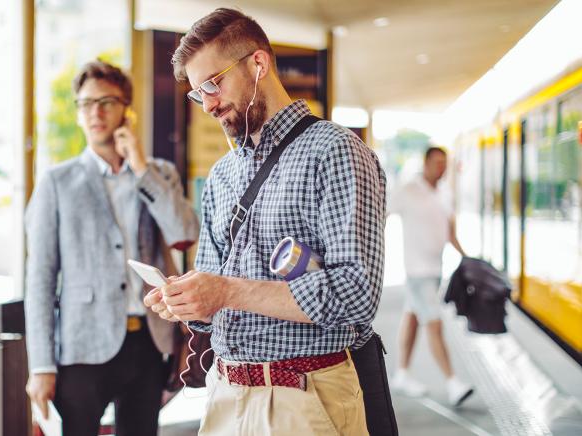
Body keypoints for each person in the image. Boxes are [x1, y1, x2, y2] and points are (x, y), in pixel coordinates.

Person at [144, 8, 386, 435]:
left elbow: (356, 296)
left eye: (214, 84)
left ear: (258, 63)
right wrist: (188, 301)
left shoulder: (336, 151)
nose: (209, 105)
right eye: (199, 94)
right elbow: (216, 294)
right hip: (225, 395)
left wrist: (225, 290)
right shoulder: (222, 175)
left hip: (306, 398)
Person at [24, 60, 199, 436]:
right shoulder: (57, 182)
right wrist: (41, 366)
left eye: (106, 101)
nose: (95, 112)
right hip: (82, 347)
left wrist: (139, 166)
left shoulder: (158, 174)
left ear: (127, 110)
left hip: (148, 344)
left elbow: (183, 231)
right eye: (85, 104)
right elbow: (39, 280)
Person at [387, 146, 474, 406]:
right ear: (425, 163)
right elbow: (381, 216)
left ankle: (401, 374)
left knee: (412, 318)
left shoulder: (445, 193)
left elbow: (450, 232)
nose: (442, 168)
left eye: (444, 163)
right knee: (434, 323)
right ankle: (453, 382)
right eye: (437, 163)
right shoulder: (409, 190)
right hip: (417, 271)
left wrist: (468, 259)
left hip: (436, 271)